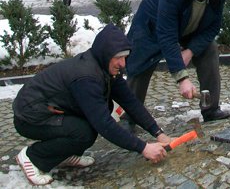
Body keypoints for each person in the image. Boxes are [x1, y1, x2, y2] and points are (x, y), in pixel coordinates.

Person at [13, 24, 172, 186]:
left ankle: (63, 154)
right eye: (118, 57)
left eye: (125, 57)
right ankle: (32, 157)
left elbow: (130, 102)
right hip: (30, 116)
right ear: (105, 53)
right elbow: (104, 124)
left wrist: (158, 132)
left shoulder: (106, 67)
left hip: (54, 109)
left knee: (90, 125)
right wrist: (144, 148)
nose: (123, 63)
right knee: (83, 133)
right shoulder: (87, 77)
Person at [125, 0, 230, 124]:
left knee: (209, 49)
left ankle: (211, 109)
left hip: (188, 30)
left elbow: (212, 28)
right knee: (140, 66)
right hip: (150, 29)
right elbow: (167, 36)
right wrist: (182, 78)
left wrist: (190, 51)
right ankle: (130, 116)